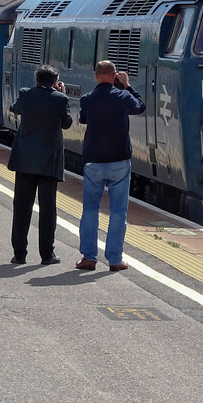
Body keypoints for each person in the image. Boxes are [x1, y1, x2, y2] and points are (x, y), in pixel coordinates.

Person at [76, 60, 145, 272]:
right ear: (115, 76)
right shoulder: (123, 96)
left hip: (94, 160)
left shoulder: (87, 99)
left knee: (90, 210)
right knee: (117, 212)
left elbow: (83, 119)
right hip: (119, 161)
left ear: (96, 76)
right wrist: (128, 85)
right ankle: (115, 260)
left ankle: (89, 258)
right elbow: (140, 107)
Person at [7, 65, 73, 265]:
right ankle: (47, 254)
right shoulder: (61, 99)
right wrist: (59, 94)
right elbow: (67, 123)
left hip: (25, 160)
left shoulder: (25, 94)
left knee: (21, 207)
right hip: (49, 162)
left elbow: (14, 108)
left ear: (36, 79)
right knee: (47, 209)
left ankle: (19, 254)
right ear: (55, 81)